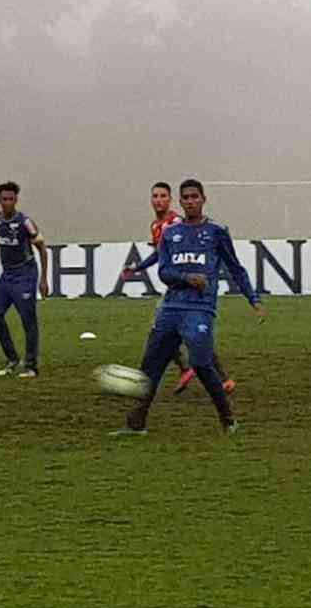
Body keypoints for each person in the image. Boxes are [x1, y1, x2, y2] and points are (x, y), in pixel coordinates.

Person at [111, 179, 266, 435]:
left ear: (203, 199)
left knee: (201, 362)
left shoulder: (217, 231)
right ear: (180, 202)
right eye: (186, 197)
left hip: (200, 308)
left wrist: (254, 299)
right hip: (171, 307)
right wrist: (186, 279)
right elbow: (164, 271)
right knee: (151, 366)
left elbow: (235, 268)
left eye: (195, 196)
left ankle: (228, 420)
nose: (191, 201)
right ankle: (135, 424)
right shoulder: (171, 234)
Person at [123, 181, 237, 395]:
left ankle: (211, 376)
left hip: (190, 289)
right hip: (177, 285)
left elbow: (164, 254)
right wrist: (138, 267)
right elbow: (160, 254)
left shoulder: (175, 223)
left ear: (171, 199)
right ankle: (195, 371)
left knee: (181, 333)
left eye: (163, 196)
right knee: (179, 333)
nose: (158, 200)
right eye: (155, 196)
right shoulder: (157, 226)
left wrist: (140, 267)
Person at [0, 181, 49, 378]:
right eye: (4, 199)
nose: (7, 203)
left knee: (28, 320)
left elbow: (42, 249)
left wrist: (43, 279)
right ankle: (12, 358)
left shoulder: (25, 222)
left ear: (16, 200)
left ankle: (31, 365)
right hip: (7, 275)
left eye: (11, 199)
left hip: (26, 274)